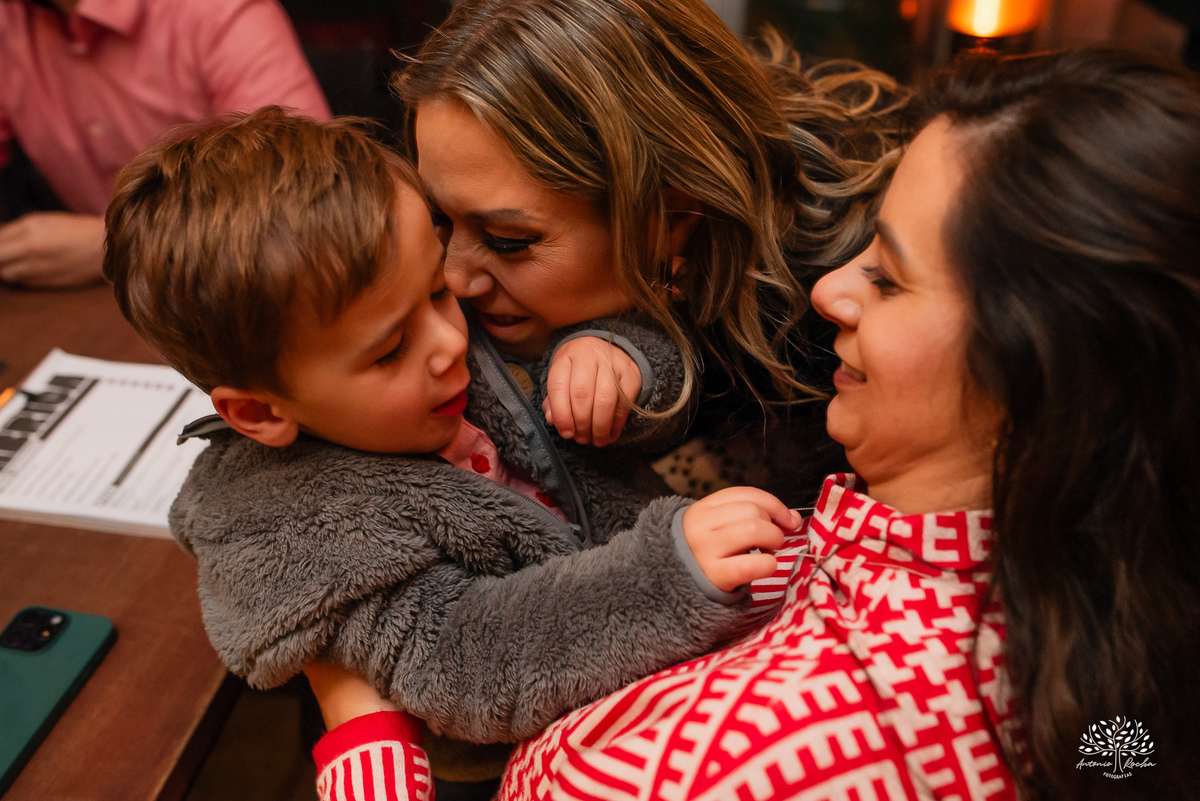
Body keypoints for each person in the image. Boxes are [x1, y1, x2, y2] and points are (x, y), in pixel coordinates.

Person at [305, 48, 1200, 800]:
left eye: (889, 278)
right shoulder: (1109, 632)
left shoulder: (724, 761)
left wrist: (355, 708)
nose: (834, 289)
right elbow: (1122, 755)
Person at [102, 107, 810, 797]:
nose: (450, 340)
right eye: (388, 352)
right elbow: (477, 664)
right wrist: (663, 576)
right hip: (523, 752)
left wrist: (617, 360)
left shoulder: (436, 323)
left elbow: (654, 398)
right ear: (258, 411)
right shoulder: (308, 533)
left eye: (436, 289)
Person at [394, 0, 909, 505]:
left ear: (675, 217)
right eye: (439, 221)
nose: (456, 278)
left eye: (510, 240)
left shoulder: (841, 312)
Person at [0, 0, 330, 288]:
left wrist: (116, 245)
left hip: (244, 297)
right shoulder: (10, 24)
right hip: (112, 310)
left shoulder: (216, 12)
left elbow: (307, 205)